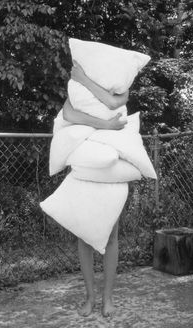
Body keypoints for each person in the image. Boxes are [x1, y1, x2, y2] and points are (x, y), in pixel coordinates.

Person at [62, 61, 129, 317]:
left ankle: (107, 299)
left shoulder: (120, 90)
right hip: (85, 172)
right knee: (84, 236)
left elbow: (114, 105)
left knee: (111, 236)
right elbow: (70, 115)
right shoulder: (77, 94)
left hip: (112, 173)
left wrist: (86, 80)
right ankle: (90, 297)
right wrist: (106, 125)